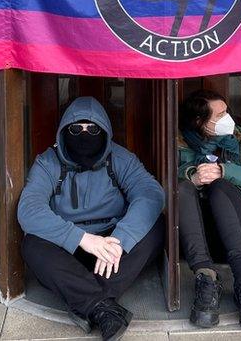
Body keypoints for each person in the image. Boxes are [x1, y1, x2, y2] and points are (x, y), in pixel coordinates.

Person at [18, 97, 165, 341]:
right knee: (32, 244)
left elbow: (151, 194)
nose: (84, 135)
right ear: (64, 131)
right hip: (69, 244)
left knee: (156, 226)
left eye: (93, 129)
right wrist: (81, 239)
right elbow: (29, 209)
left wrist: (121, 239)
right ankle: (101, 305)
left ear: (105, 132)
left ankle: (87, 303)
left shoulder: (120, 158)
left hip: (112, 245)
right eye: (76, 129)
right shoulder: (47, 162)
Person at [177, 89, 241, 331]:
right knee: (181, 189)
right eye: (220, 115)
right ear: (199, 122)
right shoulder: (179, 145)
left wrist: (227, 171)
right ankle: (206, 280)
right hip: (199, 241)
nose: (228, 119)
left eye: (226, 111)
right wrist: (191, 175)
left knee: (221, 187)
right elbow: (159, 185)